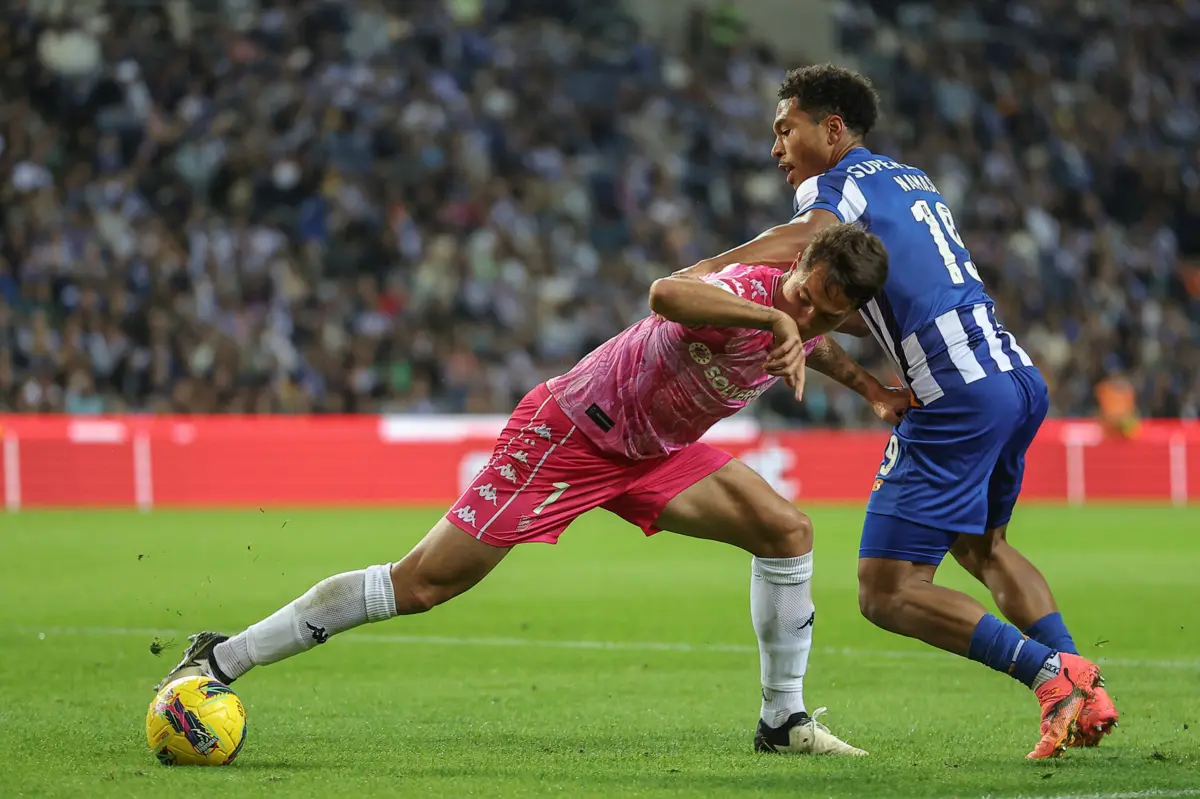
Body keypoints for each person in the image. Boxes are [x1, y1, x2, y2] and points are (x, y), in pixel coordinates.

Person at [157, 223, 909, 756]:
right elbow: (667, 295)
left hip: (652, 453)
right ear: (798, 264)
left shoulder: (809, 318)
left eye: (829, 312)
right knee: (419, 584)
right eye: (806, 296)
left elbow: (812, 342)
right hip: (569, 434)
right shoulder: (748, 289)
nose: (810, 315)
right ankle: (222, 656)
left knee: (787, 531)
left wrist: (872, 389)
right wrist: (776, 314)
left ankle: (782, 721)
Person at [682, 64, 1118, 760]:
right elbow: (882, 306)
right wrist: (867, 381)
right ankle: (1087, 686)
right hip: (1011, 375)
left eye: (785, 129)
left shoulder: (836, 185)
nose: (776, 148)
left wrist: (708, 268)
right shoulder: (910, 179)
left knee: (886, 591)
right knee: (984, 547)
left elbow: (805, 238)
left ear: (832, 129)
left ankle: (1055, 678)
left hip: (954, 393)